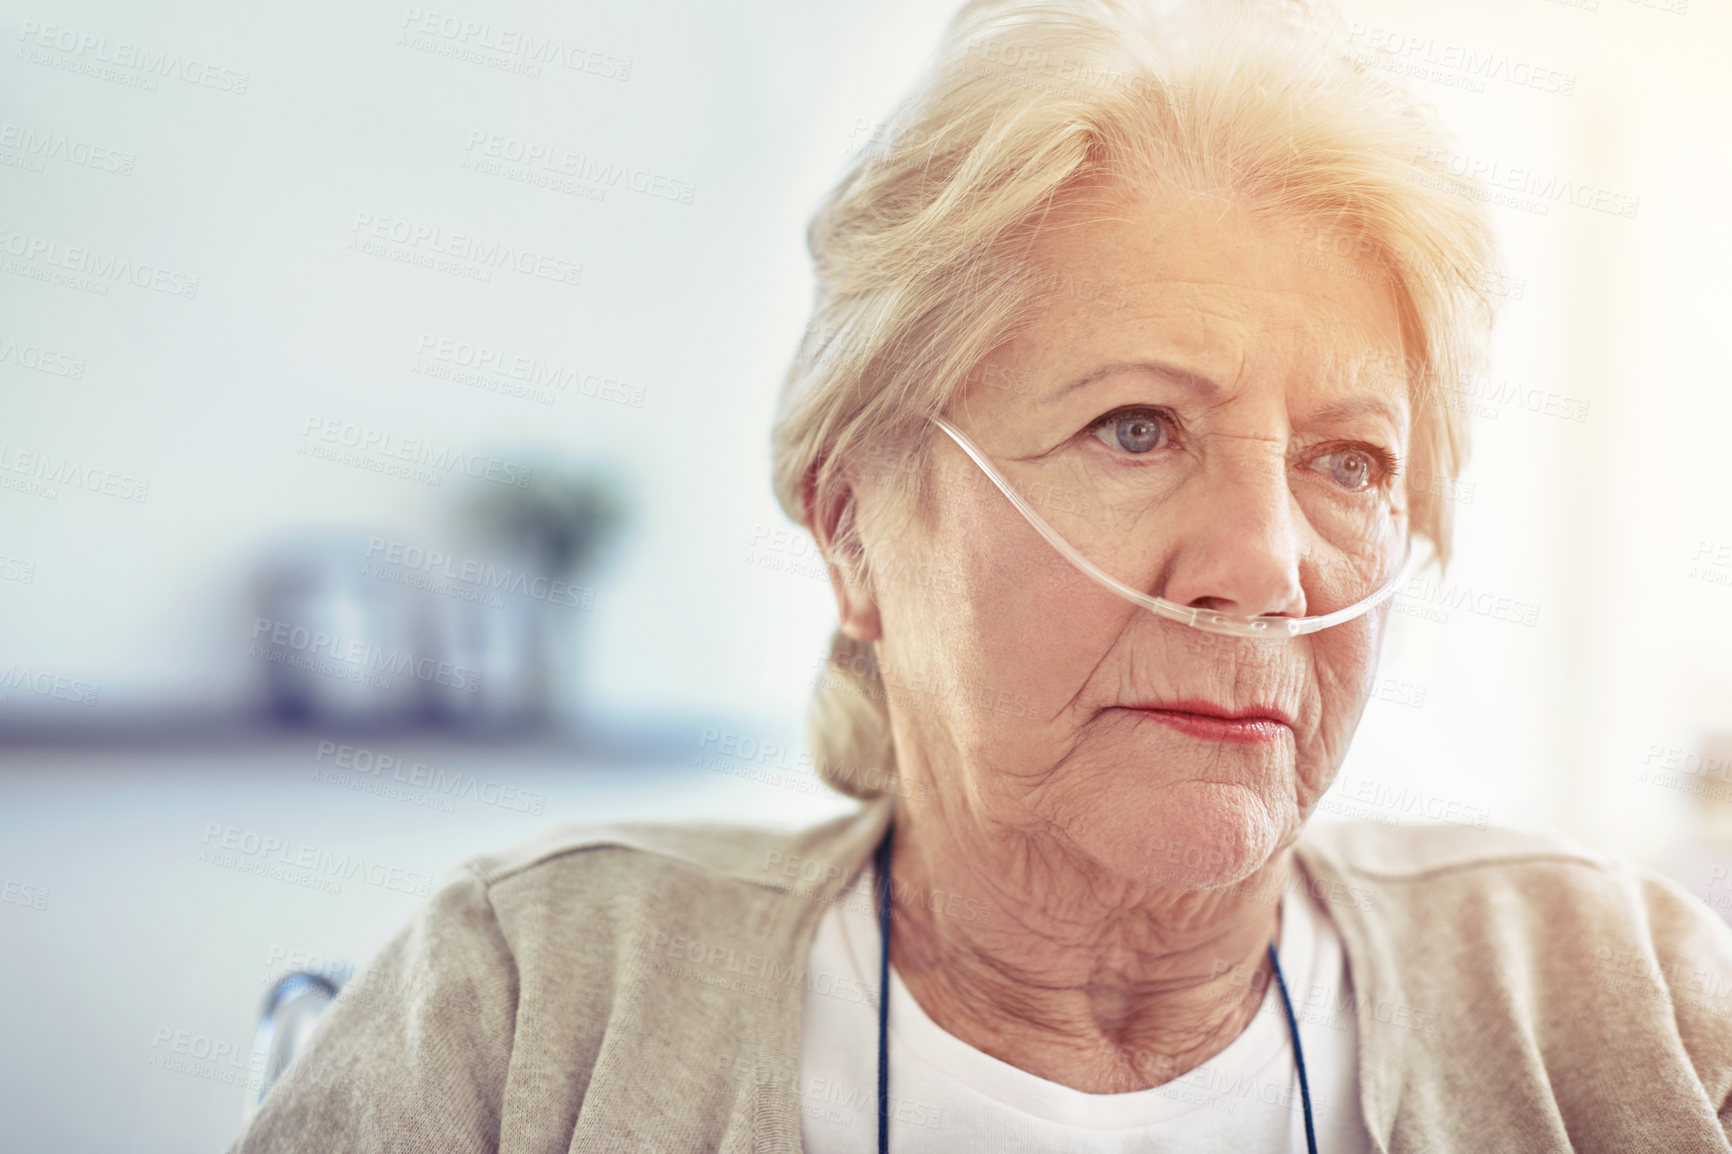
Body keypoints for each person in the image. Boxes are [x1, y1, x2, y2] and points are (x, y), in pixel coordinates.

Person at [229, 1, 1732, 1150]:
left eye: (1349, 461)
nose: (1267, 563)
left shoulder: (1619, 1003)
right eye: (1135, 426)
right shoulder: (531, 1006)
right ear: (855, 528)